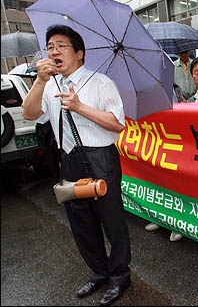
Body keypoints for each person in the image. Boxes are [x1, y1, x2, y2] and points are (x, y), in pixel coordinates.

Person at [22, 24, 131, 306]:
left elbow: (117, 125)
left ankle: (120, 276)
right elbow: (29, 113)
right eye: (50, 47)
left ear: (79, 53)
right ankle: (99, 272)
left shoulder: (100, 82)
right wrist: (40, 81)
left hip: (100, 158)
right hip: (68, 159)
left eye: (61, 45)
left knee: (112, 220)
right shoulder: (49, 85)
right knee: (80, 221)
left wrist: (80, 106)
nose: (54, 51)